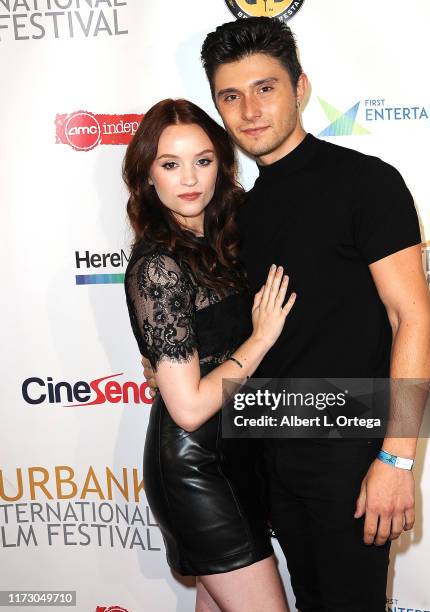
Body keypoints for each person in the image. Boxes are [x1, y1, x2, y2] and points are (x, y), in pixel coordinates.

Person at [143, 17, 430, 612]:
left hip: (351, 459)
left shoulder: (367, 184)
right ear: (218, 107)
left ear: (300, 87)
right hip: (262, 466)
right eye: (231, 95)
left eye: (266, 87)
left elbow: (415, 321)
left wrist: (397, 456)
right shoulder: (236, 217)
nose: (249, 109)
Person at [122, 97, 297, 612]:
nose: (190, 178)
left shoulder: (228, 237)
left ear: (221, 162)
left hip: (244, 456)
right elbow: (190, 406)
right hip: (197, 469)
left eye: (202, 160)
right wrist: (260, 338)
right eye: (170, 165)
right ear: (147, 177)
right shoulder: (158, 267)